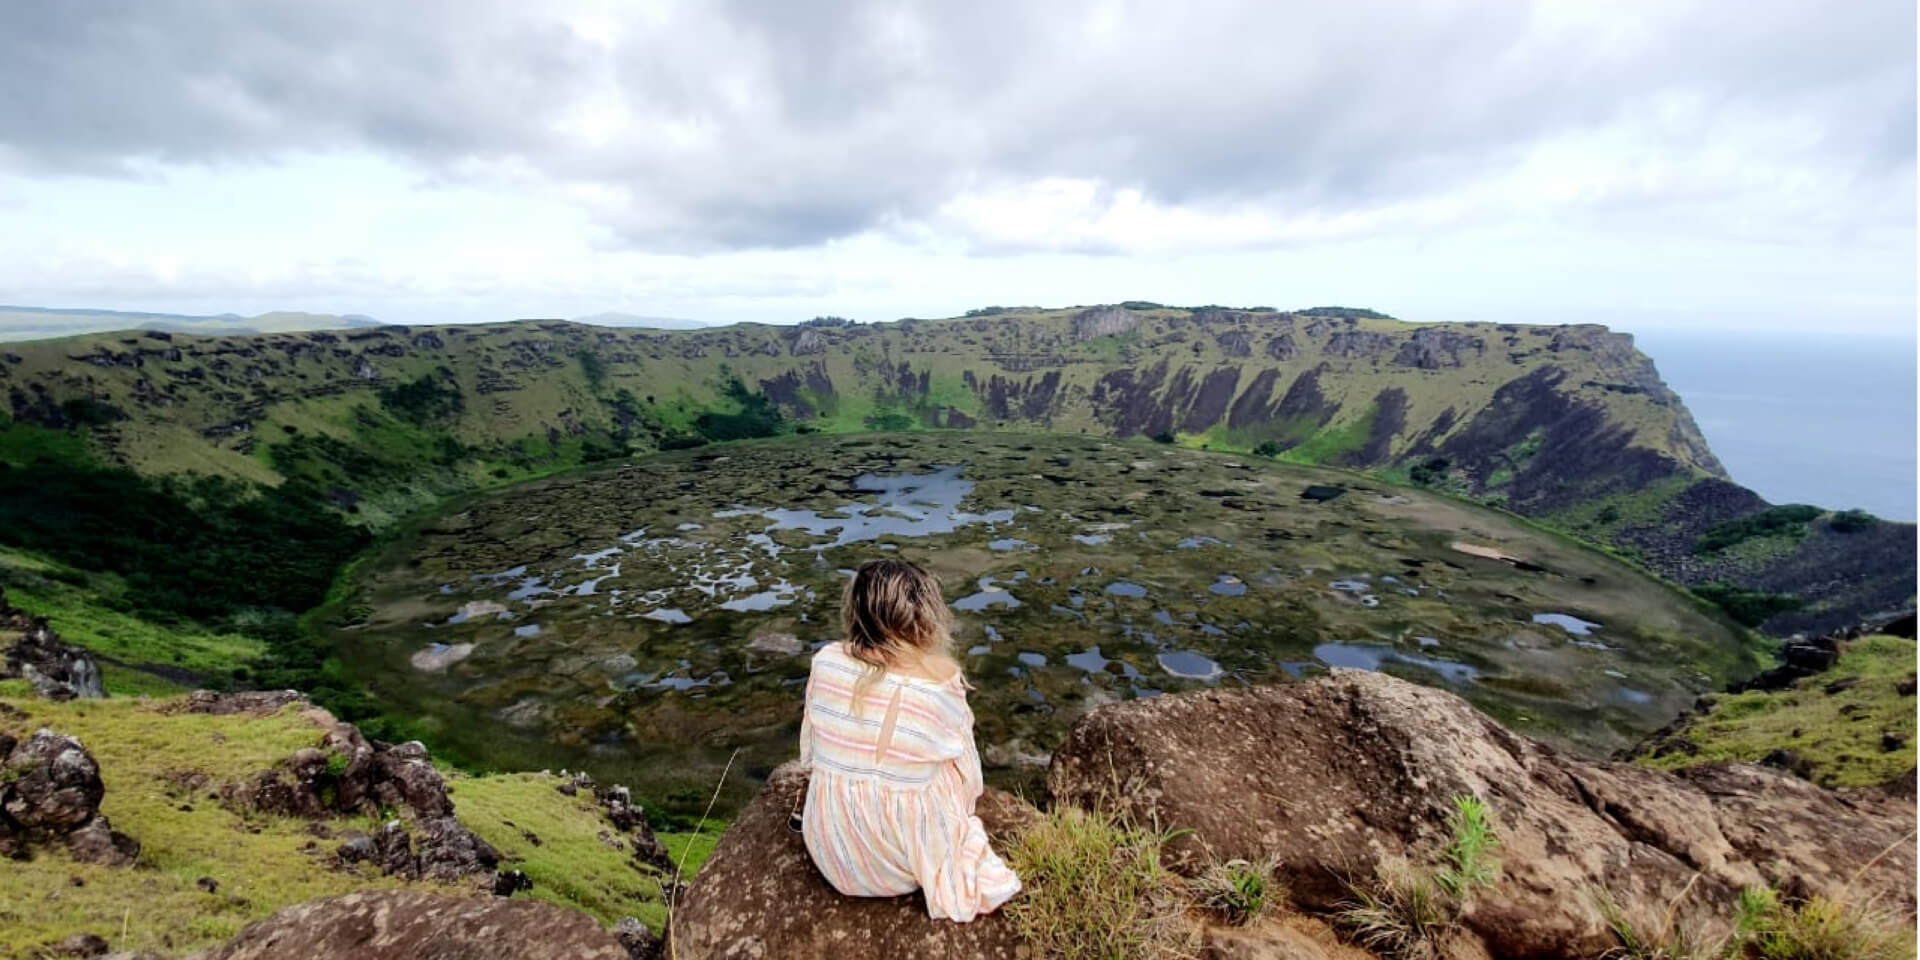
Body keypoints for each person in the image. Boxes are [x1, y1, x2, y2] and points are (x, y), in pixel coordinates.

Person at [795, 557, 1022, 921]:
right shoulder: (941, 681)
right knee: (947, 764)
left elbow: (810, 748)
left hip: (832, 849)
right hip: (900, 863)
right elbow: (969, 775)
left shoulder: (826, 661)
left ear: (857, 612)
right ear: (925, 615)